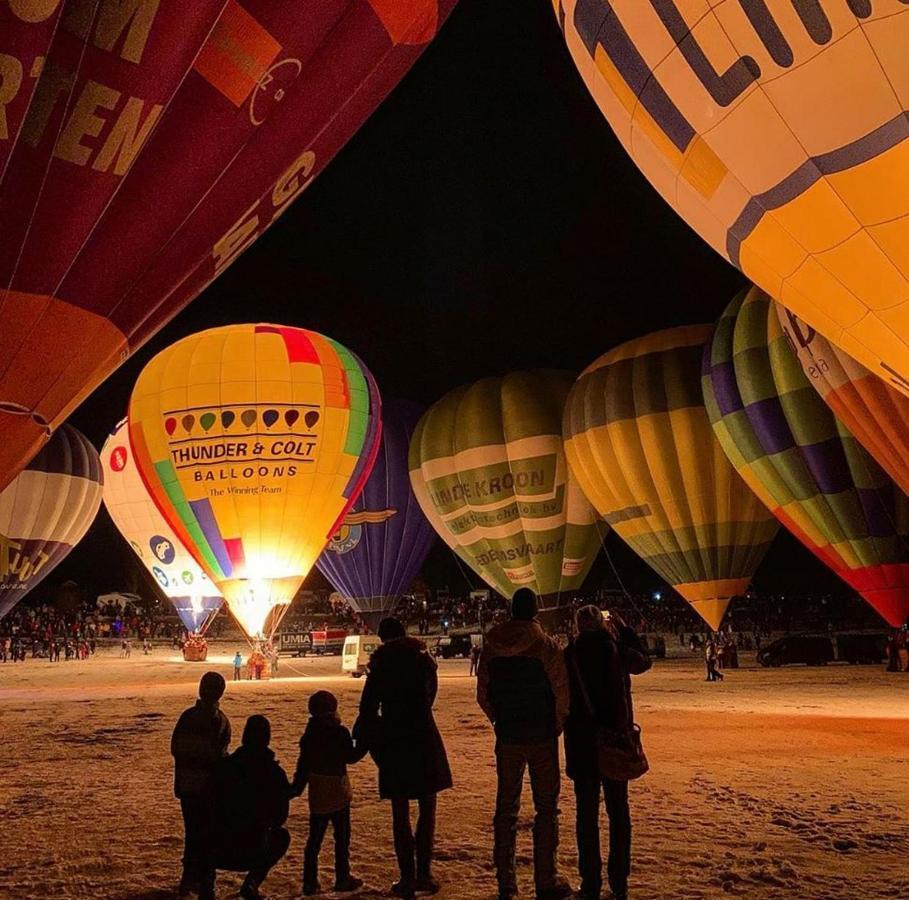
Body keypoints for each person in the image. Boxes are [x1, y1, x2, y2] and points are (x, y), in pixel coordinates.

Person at [476, 588, 572, 900]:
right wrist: (555, 725)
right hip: (541, 735)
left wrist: (498, 721)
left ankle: (506, 882)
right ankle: (546, 879)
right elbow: (561, 690)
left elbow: (483, 693)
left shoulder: (492, 643)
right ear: (535, 612)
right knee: (546, 807)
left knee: (506, 808)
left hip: (508, 737)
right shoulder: (545, 644)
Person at [355, 617, 451, 898]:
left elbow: (368, 708)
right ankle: (425, 873)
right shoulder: (423, 660)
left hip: (395, 738)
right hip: (424, 735)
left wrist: (366, 740)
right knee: (427, 808)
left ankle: (407, 877)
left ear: (382, 638)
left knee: (400, 812)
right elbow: (431, 694)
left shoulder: (380, 665)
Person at [564, 605, 651, 900]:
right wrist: (625, 629)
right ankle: (619, 883)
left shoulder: (569, 655)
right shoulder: (615, 650)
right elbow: (644, 662)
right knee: (618, 812)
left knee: (586, 816)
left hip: (582, 746)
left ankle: (590, 884)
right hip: (615, 742)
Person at [291, 690, 367, 895]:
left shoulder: (310, 735)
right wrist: (365, 743)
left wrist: (296, 788)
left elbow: (303, 765)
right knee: (342, 837)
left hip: (318, 789)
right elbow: (350, 757)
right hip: (338, 790)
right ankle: (342, 877)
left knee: (314, 838)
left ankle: (310, 880)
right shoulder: (339, 732)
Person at [208, 715, 290, 900]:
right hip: (254, 849)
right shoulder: (274, 773)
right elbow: (280, 817)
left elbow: (208, 804)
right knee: (282, 836)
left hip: (217, 846)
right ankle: (252, 881)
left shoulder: (224, 768)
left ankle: (206, 886)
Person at [171, 672, 232, 898]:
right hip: (207, 789)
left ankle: (188, 878)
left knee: (192, 832)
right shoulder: (219, 721)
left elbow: (175, 747)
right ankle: (206, 883)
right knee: (207, 836)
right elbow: (219, 757)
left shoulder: (187, 716)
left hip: (187, 786)